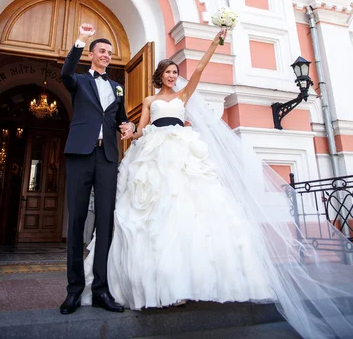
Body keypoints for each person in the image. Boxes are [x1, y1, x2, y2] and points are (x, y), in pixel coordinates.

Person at [81, 29, 353, 339]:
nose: (172, 76)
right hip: (154, 152)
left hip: (182, 151)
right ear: (159, 76)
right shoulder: (149, 99)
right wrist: (130, 132)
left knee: (191, 210)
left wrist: (215, 42)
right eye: (168, 72)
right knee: (155, 215)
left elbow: (197, 70)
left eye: (174, 72)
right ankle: (160, 283)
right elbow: (142, 129)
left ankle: (195, 281)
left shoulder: (184, 95)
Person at [60, 23, 134, 315]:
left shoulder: (117, 87)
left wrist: (129, 127)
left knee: (105, 224)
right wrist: (80, 39)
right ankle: (74, 291)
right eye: (102, 51)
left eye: (109, 52)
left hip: (107, 159)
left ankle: (101, 290)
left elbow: (122, 119)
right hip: (80, 155)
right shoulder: (78, 80)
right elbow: (65, 72)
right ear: (91, 54)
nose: (106, 55)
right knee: (77, 222)